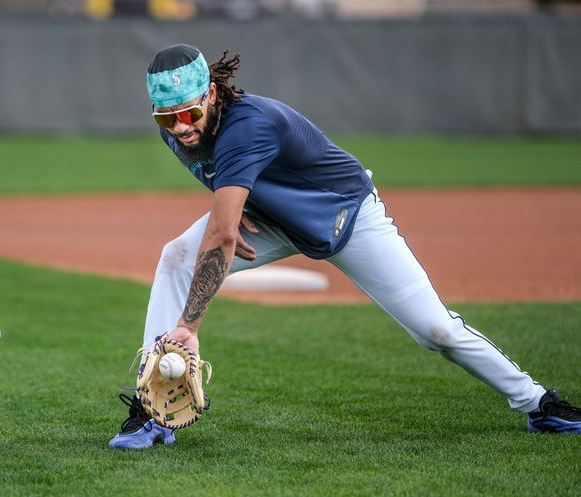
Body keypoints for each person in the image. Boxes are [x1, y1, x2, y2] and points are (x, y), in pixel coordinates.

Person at [108, 44, 581, 449]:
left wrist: (189, 325)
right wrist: (243, 207)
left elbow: (223, 231)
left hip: (348, 215)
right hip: (277, 221)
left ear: (211, 93)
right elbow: (224, 187)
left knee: (437, 330)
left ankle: (539, 403)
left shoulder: (248, 125)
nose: (179, 127)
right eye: (165, 117)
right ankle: (152, 410)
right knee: (175, 258)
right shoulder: (180, 129)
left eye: (188, 112)